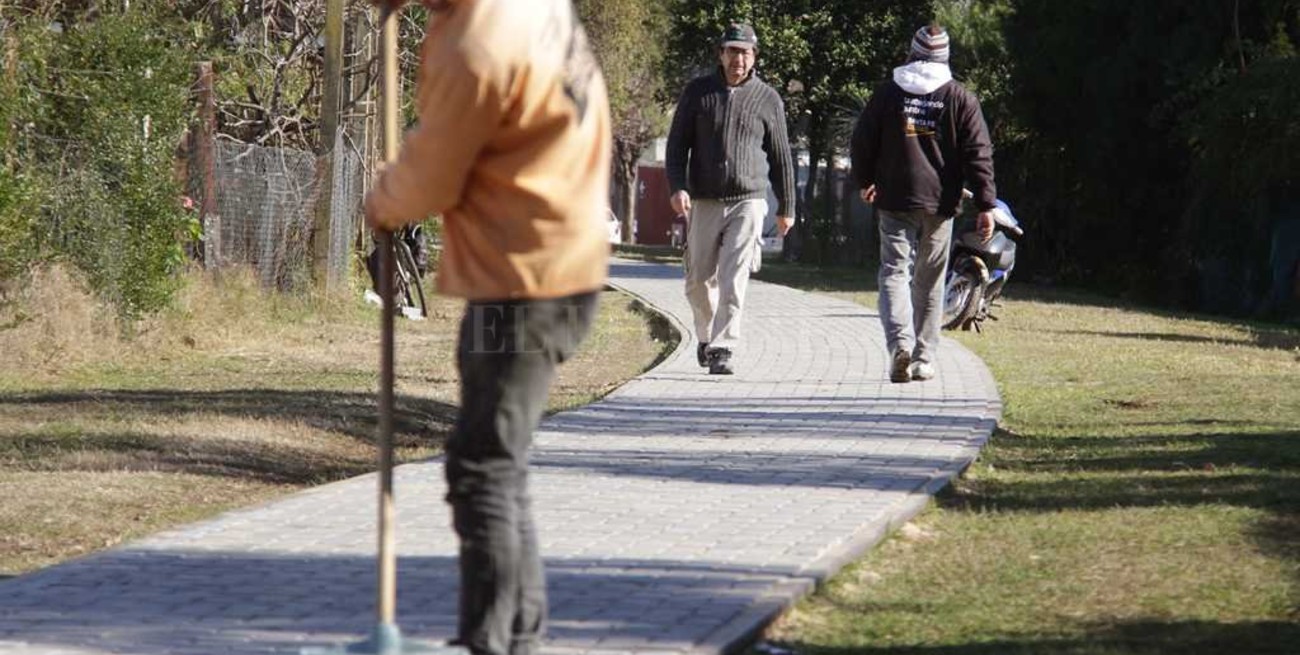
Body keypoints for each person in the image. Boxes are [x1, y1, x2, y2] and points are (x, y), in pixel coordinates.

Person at [363, 1, 611, 653]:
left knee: (483, 470)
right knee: (500, 465)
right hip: (559, 259)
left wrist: (383, 199)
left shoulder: (477, 45)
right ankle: (517, 637)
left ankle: (491, 642)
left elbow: (431, 179)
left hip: (523, 281)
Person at [850, 24, 997, 383]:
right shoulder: (960, 97)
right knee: (929, 282)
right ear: (945, 57)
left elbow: (862, 140)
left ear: (911, 53)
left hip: (894, 197)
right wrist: (986, 203)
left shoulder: (888, 93)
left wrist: (865, 181)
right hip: (940, 203)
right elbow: (978, 153)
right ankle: (923, 358)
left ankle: (898, 343)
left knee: (893, 273)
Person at [666, 22, 795, 375]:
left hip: (748, 199)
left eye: (746, 52)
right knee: (696, 280)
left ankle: (723, 346)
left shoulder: (768, 98)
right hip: (704, 199)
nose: (739, 59)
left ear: (755, 57)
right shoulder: (698, 93)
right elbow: (677, 146)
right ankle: (706, 336)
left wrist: (788, 207)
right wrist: (677, 186)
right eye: (733, 51)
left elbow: (782, 155)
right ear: (721, 54)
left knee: (733, 275)